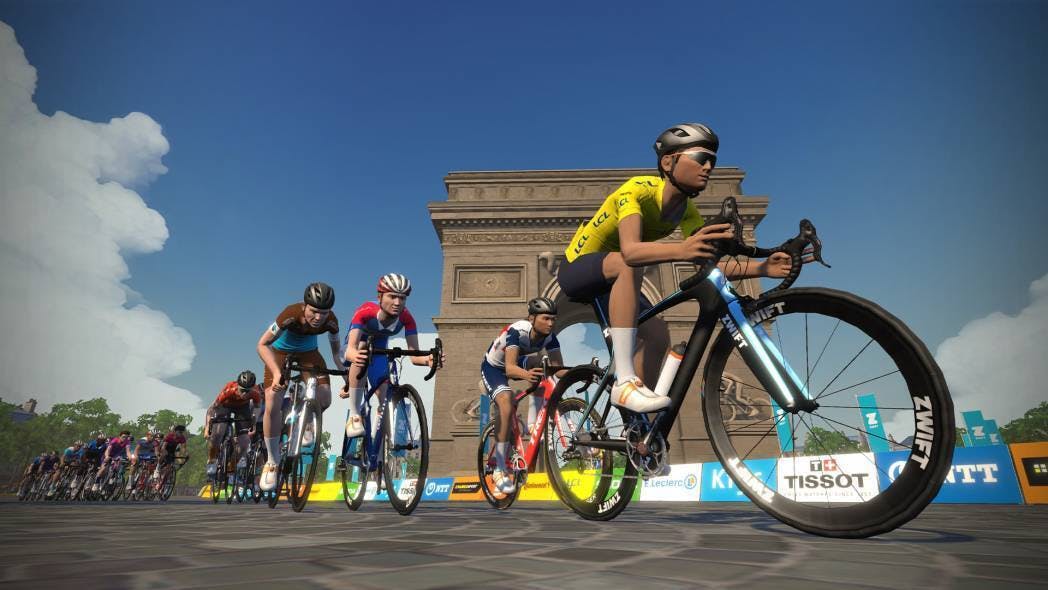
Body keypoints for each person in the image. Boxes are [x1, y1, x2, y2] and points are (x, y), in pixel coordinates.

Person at [556, 123, 805, 413]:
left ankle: (636, 424)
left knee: (658, 334)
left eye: (713, 161)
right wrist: (682, 249)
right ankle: (624, 382)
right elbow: (631, 251)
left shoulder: (687, 211)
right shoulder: (637, 191)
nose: (708, 167)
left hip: (614, 277)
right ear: (667, 162)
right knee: (629, 262)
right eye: (701, 158)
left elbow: (709, 265)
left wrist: (761, 268)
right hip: (578, 267)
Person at [256, 282, 342, 492]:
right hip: (280, 353)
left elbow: (336, 352)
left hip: (309, 354)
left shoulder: (331, 321)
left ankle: (306, 421)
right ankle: (272, 462)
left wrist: (343, 369)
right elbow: (262, 344)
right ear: (304, 306)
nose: (318, 317)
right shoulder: (291, 314)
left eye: (324, 313)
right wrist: (277, 373)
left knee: (325, 398)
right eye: (313, 311)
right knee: (272, 402)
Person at [340, 273, 443, 438]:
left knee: (384, 397)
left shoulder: (407, 318)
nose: (397, 303)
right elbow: (351, 349)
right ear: (380, 297)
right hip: (359, 342)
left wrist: (428, 360)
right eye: (392, 296)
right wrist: (354, 355)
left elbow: (414, 356)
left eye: (402, 298)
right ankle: (354, 415)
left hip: (380, 347)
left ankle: (379, 444)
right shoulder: (365, 311)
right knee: (362, 351)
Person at [480, 296, 565, 495]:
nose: (550, 323)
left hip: (520, 363)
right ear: (532, 318)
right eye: (545, 318)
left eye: (553, 319)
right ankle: (500, 466)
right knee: (506, 401)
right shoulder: (517, 331)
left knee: (542, 363)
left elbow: (558, 369)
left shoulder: (551, 337)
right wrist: (527, 375)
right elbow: (509, 369)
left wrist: (584, 371)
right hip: (494, 368)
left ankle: (533, 420)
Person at [205, 370, 262, 476]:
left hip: (242, 408)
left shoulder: (256, 392)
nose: (244, 394)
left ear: (252, 388)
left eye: (248, 391)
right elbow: (212, 408)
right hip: (225, 405)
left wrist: (253, 423)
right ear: (238, 386)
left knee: (244, 443)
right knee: (217, 434)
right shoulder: (229, 389)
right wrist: (208, 426)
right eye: (242, 390)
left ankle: (232, 466)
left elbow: (257, 408)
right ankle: (212, 460)